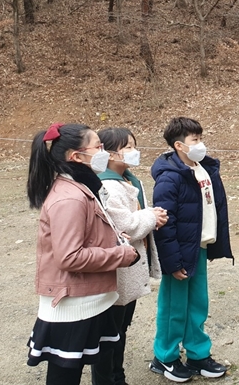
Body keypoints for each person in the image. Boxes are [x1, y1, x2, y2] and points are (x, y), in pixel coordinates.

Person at [26, 123, 139, 385]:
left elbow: (86, 235)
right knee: (64, 378)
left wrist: (115, 239)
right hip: (71, 308)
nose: (104, 152)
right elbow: (69, 257)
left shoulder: (82, 186)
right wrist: (120, 255)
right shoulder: (70, 198)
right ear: (76, 156)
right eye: (98, 147)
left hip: (86, 301)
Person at [149, 117, 233, 382]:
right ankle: (165, 357)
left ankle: (198, 355)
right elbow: (164, 224)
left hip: (199, 248)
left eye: (200, 137)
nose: (200, 144)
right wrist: (172, 263)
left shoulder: (204, 168)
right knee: (174, 307)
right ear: (179, 145)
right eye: (194, 140)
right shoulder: (169, 178)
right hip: (179, 252)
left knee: (198, 304)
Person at [91, 127, 168, 385]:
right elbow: (124, 225)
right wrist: (152, 216)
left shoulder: (129, 179)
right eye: (128, 147)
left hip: (130, 266)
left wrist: (148, 217)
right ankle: (108, 379)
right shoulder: (106, 185)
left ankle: (118, 375)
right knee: (110, 331)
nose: (134, 152)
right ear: (109, 153)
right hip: (117, 270)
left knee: (121, 328)